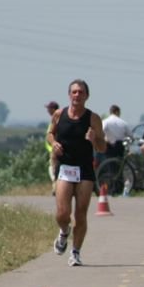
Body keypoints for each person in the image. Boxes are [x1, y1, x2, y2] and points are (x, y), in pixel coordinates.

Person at [47, 79, 106, 267]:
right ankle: (64, 232)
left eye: (81, 92)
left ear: (87, 96)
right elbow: (50, 133)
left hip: (85, 170)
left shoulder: (93, 118)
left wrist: (95, 139)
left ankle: (75, 252)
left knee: (81, 213)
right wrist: (53, 143)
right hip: (65, 168)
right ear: (69, 95)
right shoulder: (58, 114)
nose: (77, 95)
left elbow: (103, 147)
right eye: (74, 92)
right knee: (62, 213)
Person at [44, 100, 59, 195]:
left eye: (49, 108)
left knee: (53, 169)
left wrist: (52, 148)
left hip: (55, 149)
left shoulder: (56, 119)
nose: (47, 111)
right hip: (54, 149)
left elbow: (50, 136)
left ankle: (56, 189)